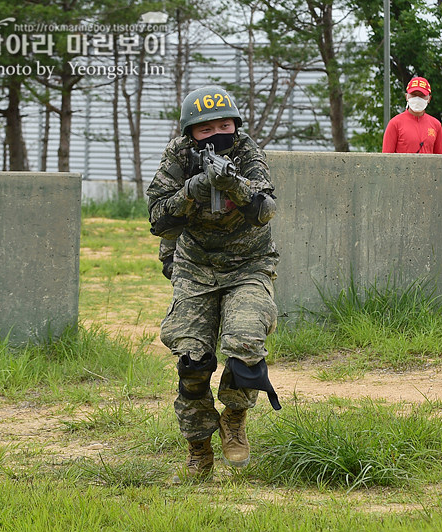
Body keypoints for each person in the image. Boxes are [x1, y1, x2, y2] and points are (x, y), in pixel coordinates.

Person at [147, 85, 281, 482]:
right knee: (192, 360)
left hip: (248, 264)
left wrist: (233, 185)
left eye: (225, 125)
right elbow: (157, 216)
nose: (218, 134)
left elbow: (266, 210)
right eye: (207, 130)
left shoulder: (245, 150)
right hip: (196, 265)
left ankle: (235, 417)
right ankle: (198, 448)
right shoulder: (178, 155)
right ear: (191, 133)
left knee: (245, 343)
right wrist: (195, 189)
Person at [382, 76, 442, 154]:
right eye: (414, 95)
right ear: (406, 96)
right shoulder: (395, 123)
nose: (417, 99)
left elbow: (441, 158)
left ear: (429, 98)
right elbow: (386, 157)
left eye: (422, 95)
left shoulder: (436, 125)